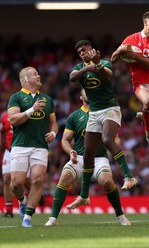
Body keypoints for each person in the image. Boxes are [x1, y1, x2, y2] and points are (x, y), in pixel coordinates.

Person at [66, 40, 137, 209]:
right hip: (94, 112)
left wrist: (96, 64)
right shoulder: (80, 67)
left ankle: (129, 176)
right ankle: (84, 195)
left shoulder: (103, 62)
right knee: (88, 153)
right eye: (80, 52)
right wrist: (86, 68)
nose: (82, 53)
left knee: (107, 139)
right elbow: (71, 78)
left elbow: (107, 76)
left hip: (110, 108)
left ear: (92, 49)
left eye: (84, 50)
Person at [45, 90, 131, 226]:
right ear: (81, 97)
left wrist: (111, 144)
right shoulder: (74, 116)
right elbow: (65, 140)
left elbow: (116, 139)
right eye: (87, 90)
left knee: (107, 182)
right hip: (79, 157)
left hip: (99, 158)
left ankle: (120, 215)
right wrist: (70, 151)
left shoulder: (104, 114)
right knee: (65, 176)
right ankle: (53, 218)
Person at [111, 10, 149, 152]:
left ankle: (147, 116)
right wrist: (120, 51)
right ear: (145, 22)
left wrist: (135, 56)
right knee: (148, 100)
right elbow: (112, 60)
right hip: (140, 84)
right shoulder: (131, 39)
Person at [7, 66, 58, 227]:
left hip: (40, 146)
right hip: (20, 145)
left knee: (37, 179)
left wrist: (54, 133)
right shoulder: (16, 97)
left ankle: (27, 217)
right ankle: (22, 201)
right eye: (35, 74)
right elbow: (13, 120)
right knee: (16, 183)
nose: (39, 76)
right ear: (26, 80)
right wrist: (31, 110)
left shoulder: (48, 100)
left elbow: (54, 123)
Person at [0, 110, 15, 218]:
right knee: (7, 179)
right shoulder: (5, 116)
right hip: (8, 151)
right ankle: (9, 211)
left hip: (21, 150)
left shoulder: (26, 114)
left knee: (24, 181)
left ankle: (38, 194)